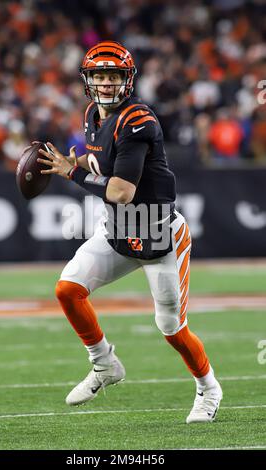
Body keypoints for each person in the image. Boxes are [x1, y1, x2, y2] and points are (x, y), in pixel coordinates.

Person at [37, 41, 222, 423]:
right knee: (67, 289)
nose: (106, 84)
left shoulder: (138, 120)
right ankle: (104, 364)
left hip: (159, 239)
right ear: (88, 80)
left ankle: (208, 388)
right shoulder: (93, 114)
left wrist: (72, 173)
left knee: (171, 329)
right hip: (118, 233)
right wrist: (78, 162)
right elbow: (101, 161)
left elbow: (121, 191)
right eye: (99, 76)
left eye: (114, 76)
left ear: (128, 79)